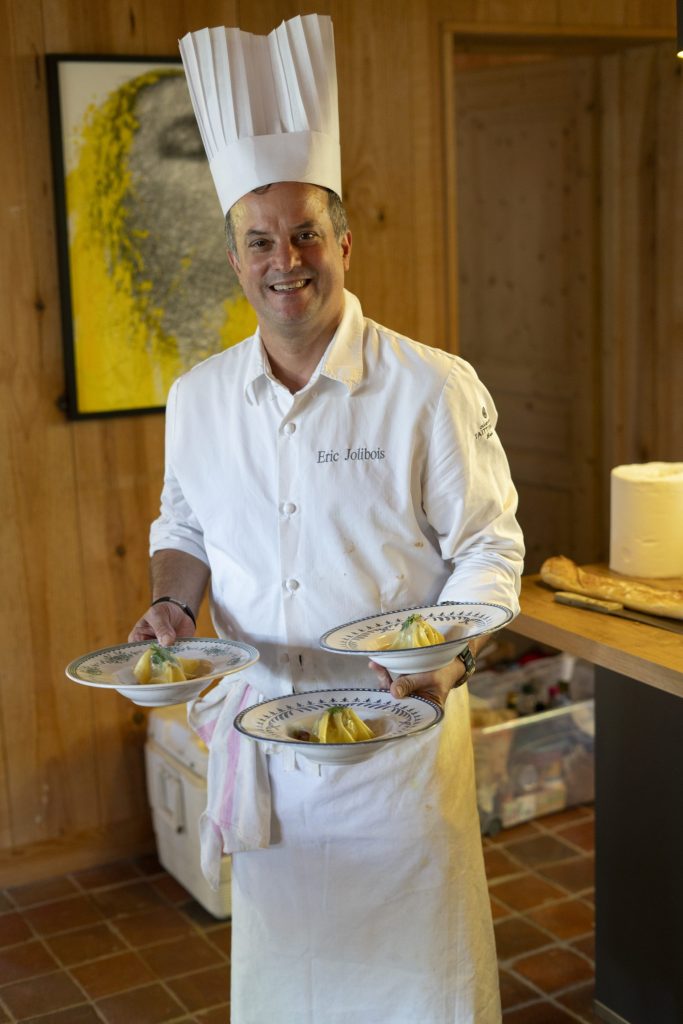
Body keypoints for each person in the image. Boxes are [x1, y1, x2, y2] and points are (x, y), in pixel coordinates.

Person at [130, 16, 524, 1024]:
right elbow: (183, 527)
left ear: (343, 244)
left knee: (417, 989)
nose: (286, 260)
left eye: (306, 233)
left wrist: (446, 660)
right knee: (291, 989)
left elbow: (488, 546)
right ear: (235, 260)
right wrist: (170, 607)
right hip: (263, 733)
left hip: (398, 740)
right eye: (260, 240)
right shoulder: (197, 398)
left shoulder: (428, 387)